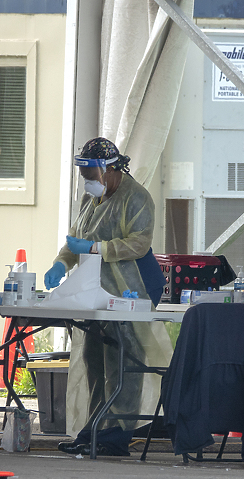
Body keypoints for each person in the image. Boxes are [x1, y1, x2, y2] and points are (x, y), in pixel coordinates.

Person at [43, 137, 173, 456]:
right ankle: (94, 428)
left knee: (122, 361)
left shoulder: (137, 198)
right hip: (98, 291)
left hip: (132, 288)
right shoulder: (93, 201)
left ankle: (116, 434)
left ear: (110, 169)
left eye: (91, 175)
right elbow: (77, 238)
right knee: (94, 361)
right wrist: (61, 263)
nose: (88, 183)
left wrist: (95, 249)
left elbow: (138, 244)